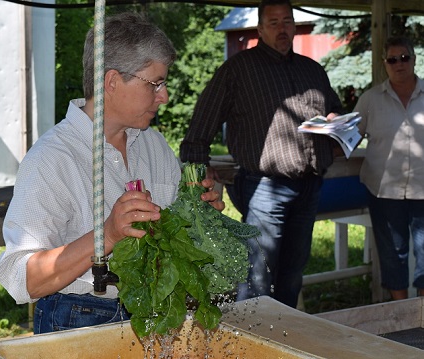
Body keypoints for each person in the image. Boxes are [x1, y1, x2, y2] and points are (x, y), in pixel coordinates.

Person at [0, 12, 224, 334]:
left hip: (155, 309)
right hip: (79, 316)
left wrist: (199, 211)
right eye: (155, 83)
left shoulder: (154, 144)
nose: (165, 96)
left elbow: (176, 240)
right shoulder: (52, 158)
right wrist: (107, 235)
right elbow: (22, 278)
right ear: (112, 81)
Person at [180, 0, 343, 308]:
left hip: (310, 186)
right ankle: (251, 346)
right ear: (260, 29)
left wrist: (336, 120)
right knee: (258, 277)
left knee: (293, 275)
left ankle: (285, 344)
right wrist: (198, 166)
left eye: (287, 21)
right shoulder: (239, 69)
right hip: (264, 188)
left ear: (295, 25)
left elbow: (335, 110)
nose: (282, 29)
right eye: (274, 23)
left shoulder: (313, 70)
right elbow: (204, 118)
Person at [354, 36, 424, 301]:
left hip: (423, 188)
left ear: (414, 59)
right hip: (384, 189)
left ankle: (421, 315)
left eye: (404, 57)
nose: (399, 64)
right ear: (385, 64)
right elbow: (350, 138)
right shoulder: (370, 99)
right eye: (392, 59)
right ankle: (399, 313)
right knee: (392, 253)